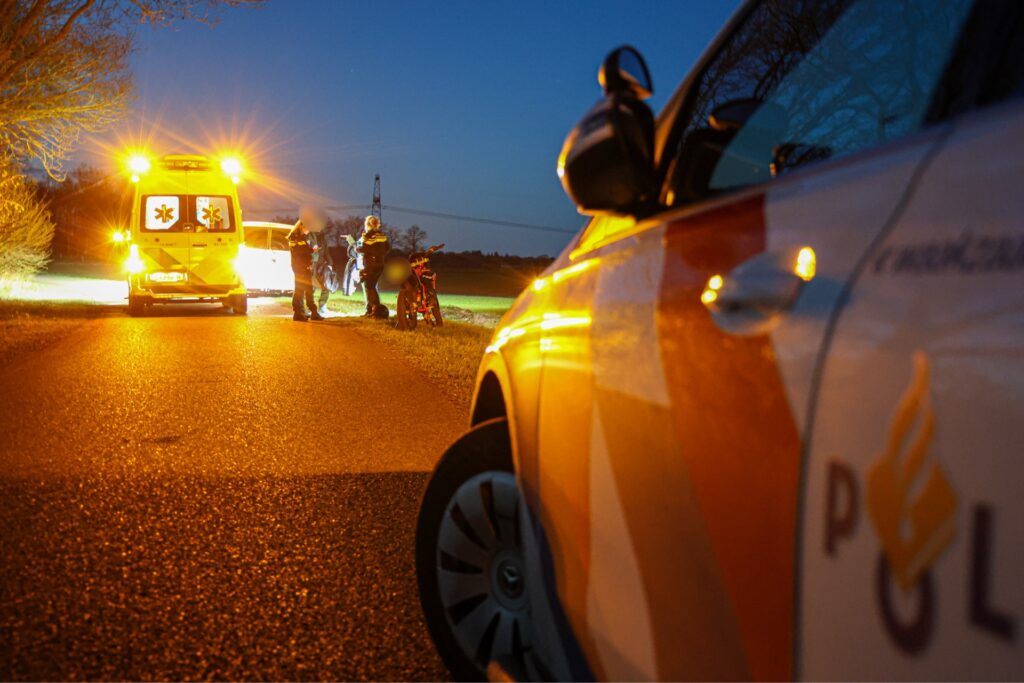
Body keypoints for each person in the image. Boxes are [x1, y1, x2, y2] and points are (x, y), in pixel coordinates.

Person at [288, 219, 324, 322]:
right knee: (300, 290)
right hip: (300, 268)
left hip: (304, 267)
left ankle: (313, 312)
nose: (309, 231)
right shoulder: (295, 237)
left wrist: (311, 251)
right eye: (308, 228)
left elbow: (303, 251)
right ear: (301, 226)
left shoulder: (301, 237)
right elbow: (299, 254)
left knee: (308, 290)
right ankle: (298, 313)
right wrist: (310, 252)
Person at [357, 215, 390, 316]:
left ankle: (375, 310)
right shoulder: (383, 236)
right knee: (372, 286)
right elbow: (387, 248)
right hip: (380, 263)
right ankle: (373, 309)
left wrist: (357, 249)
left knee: (369, 286)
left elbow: (365, 249)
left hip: (370, 263)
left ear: (368, 224)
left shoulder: (367, 235)